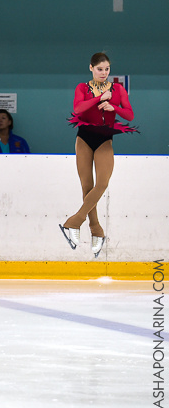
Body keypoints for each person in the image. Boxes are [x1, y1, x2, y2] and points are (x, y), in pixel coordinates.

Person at [59, 52, 136, 258]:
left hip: (104, 140)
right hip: (84, 138)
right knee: (87, 187)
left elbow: (130, 114)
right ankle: (97, 231)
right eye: (100, 69)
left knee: (102, 184)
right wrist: (99, 98)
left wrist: (114, 107)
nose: (104, 73)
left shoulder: (118, 89)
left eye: (107, 69)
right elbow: (78, 109)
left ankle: (74, 222)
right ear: (91, 68)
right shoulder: (82, 88)